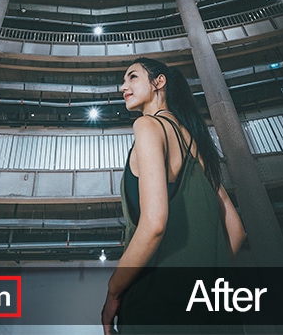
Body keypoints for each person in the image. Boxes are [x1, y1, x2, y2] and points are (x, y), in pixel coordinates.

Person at [101, 57, 246, 334]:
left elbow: (154, 224)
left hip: (156, 306)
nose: (123, 86)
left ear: (159, 82)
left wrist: (112, 292)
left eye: (132, 77)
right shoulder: (196, 144)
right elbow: (236, 230)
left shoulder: (147, 126)